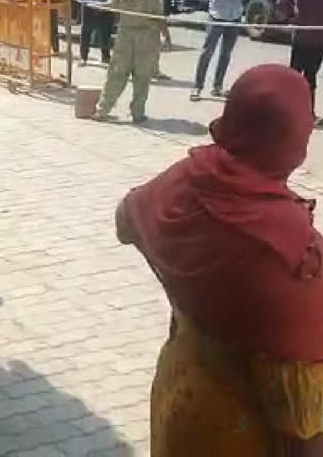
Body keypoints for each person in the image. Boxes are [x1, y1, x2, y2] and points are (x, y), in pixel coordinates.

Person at [115, 64, 323, 456]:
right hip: (240, 429)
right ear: (293, 137)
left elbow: (125, 220)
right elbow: (303, 424)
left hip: (180, 385)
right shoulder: (292, 251)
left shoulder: (193, 176)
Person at [93, 0, 168, 123]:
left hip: (124, 37)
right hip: (146, 39)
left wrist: (94, 4)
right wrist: (167, 36)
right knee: (142, 78)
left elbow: (109, 5)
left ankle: (102, 110)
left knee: (116, 75)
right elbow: (159, 19)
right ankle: (137, 113)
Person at [190, 0, 248, 101]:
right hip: (216, 14)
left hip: (235, 15)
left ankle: (217, 86)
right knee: (207, 53)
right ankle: (197, 87)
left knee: (226, 54)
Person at [276, 0, 323, 121]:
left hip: (317, 37)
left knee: (306, 77)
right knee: (298, 77)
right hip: (303, 36)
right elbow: (283, 1)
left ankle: (305, 113)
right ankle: (291, 112)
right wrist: (290, 18)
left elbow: (282, 2)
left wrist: (290, 16)